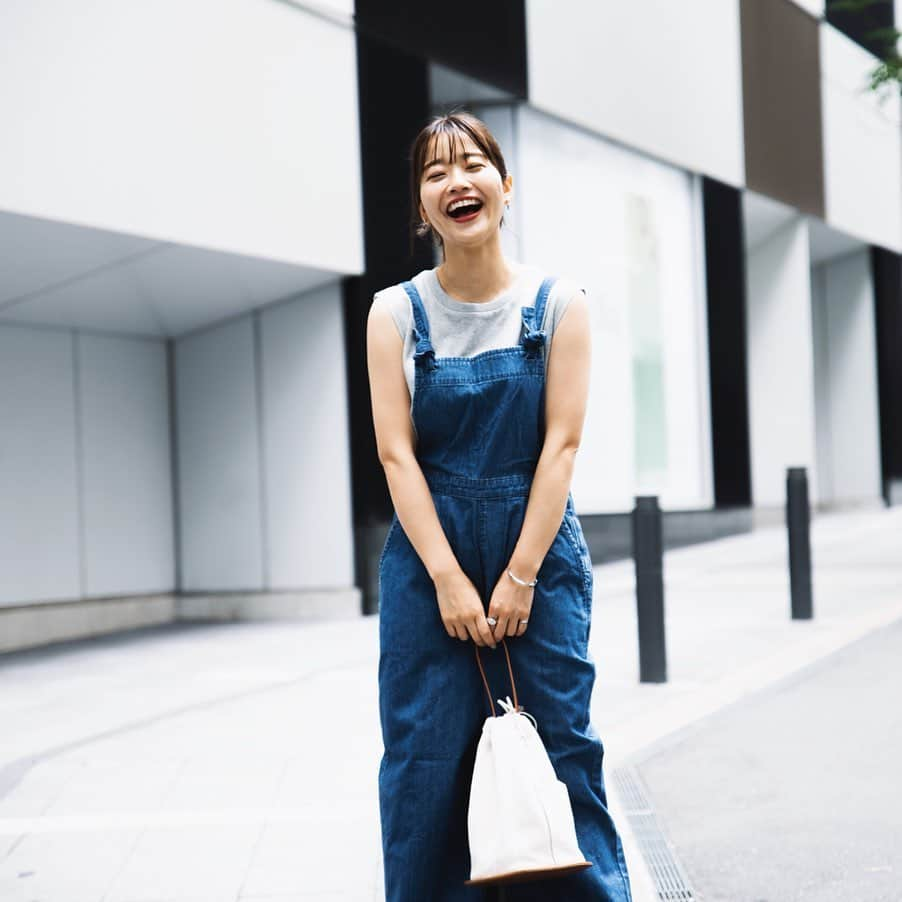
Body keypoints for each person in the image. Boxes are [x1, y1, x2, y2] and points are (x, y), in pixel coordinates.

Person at [366, 110, 633, 901]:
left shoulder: (559, 304)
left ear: (505, 187)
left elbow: (561, 447)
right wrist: (448, 579)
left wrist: (519, 576)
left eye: (474, 164)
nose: (458, 182)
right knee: (422, 756)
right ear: (423, 209)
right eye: (437, 172)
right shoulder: (393, 313)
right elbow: (395, 454)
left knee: (564, 745)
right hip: (427, 559)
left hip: (539, 549)